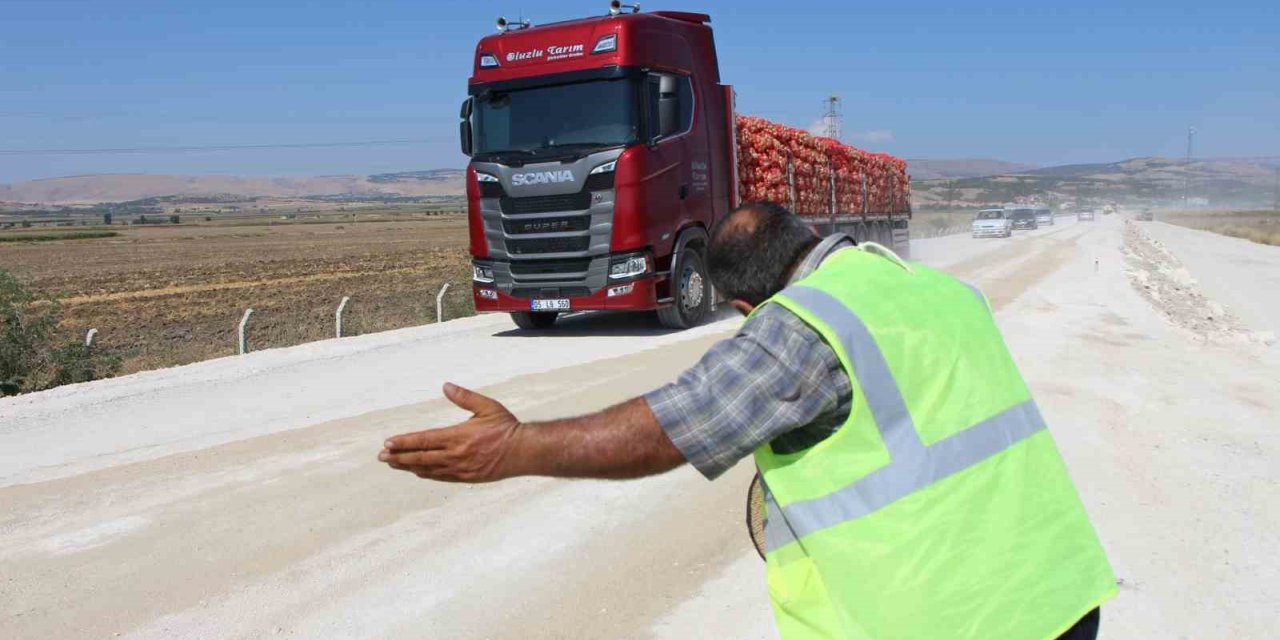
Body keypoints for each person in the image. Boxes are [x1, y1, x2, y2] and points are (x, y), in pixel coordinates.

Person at [379, 202, 1117, 639]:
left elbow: (670, 428)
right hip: (1059, 591)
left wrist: (515, 447)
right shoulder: (935, 289)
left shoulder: (799, 325)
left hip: (948, 621)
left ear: (744, 307)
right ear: (810, 235)